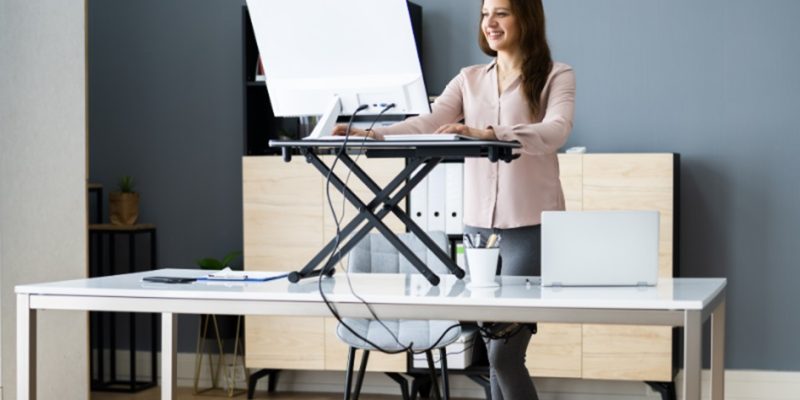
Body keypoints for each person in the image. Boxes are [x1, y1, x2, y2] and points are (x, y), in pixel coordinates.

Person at [334, 0, 574, 398]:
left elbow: (556, 130)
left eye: (502, 12)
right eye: (485, 14)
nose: (490, 22)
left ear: (526, 17)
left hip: (531, 224)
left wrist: (491, 134)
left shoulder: (556, 75)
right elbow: (428, 122)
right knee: (491, 349)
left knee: (504, 353)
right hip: (478, 227)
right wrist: (375, 135)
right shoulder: (469, 78)